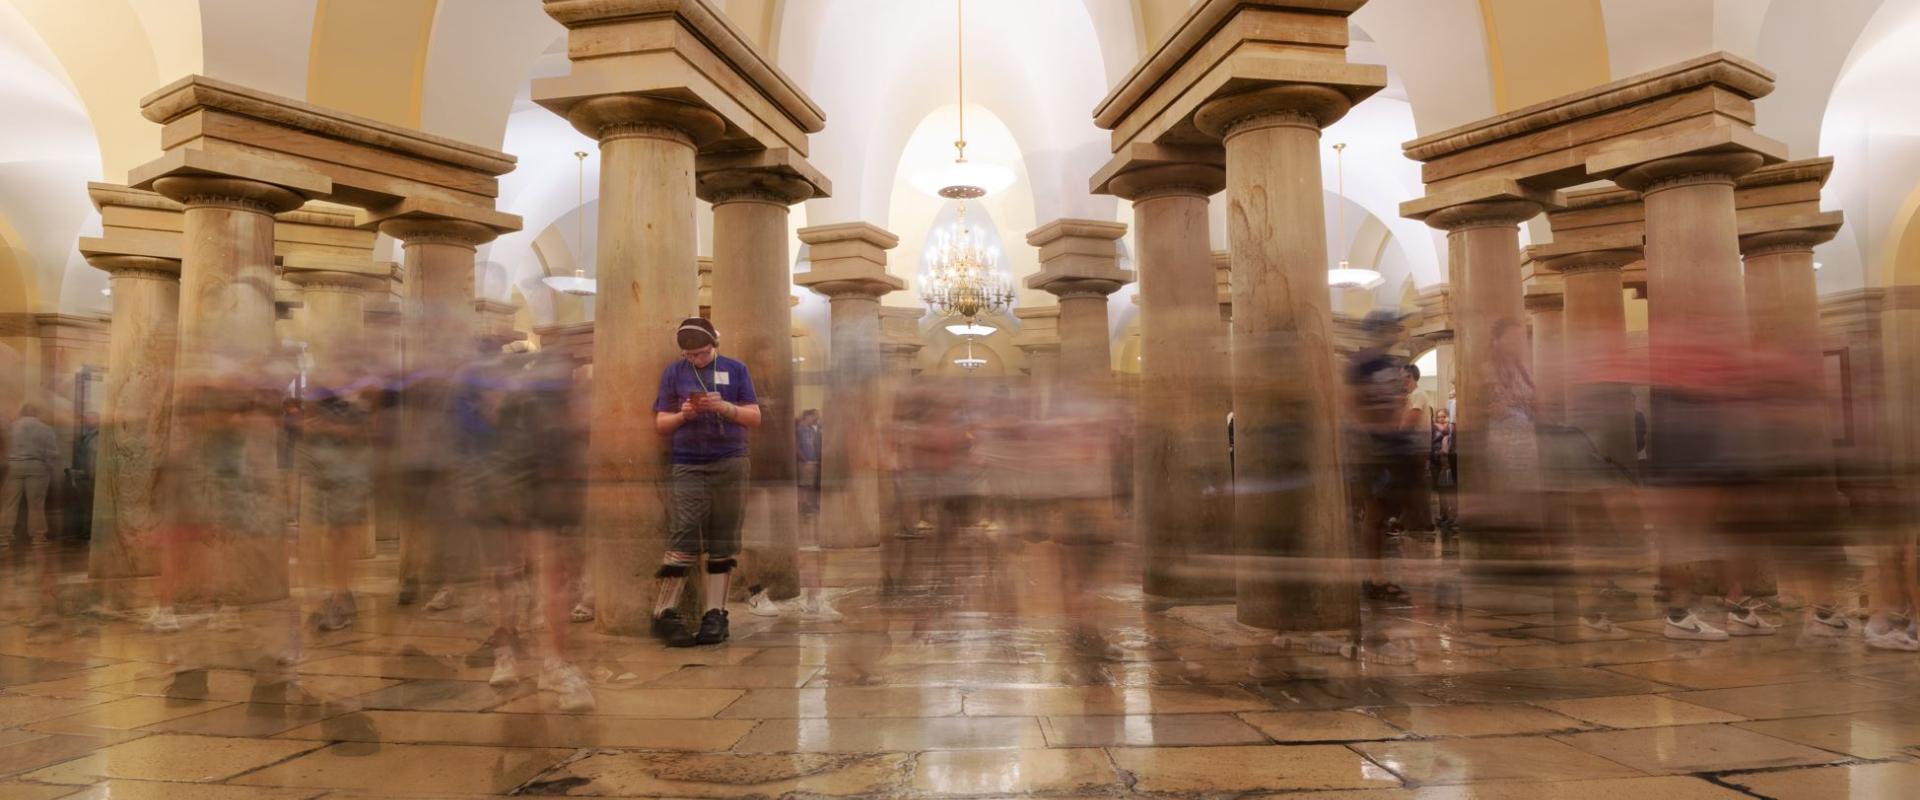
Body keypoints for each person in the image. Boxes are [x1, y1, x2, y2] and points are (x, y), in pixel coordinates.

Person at [651, 317, 762, 647]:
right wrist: (684, 414)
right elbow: (661, 423)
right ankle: (664, 612)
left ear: (715, 344)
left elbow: (754, 417)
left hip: (730, 459)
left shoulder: (736, 369)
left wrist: (725, 407)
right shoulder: (674, 372)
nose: (695, 359)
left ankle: (716, 614)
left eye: (700, 353)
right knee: (684, 532)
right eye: (689, 355)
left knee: (723, 536)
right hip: (688, 461)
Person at [2, 404, 58, 541]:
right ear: (37, 413)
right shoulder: (46, 429)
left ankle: (3, 535)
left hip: (13, 465)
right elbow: (52, 452)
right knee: (36, 504)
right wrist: (49, 466)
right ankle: (38, 536)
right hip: (37, 465)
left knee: (9, 503)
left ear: (21, 412)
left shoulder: (11, 427)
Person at [796, 409, 821, 514]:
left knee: (810, 484)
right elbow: (796, 445)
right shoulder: (800, 430)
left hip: (813, 460)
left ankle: (809, 504)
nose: (814, 419)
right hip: (804, 461)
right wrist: (803, 458)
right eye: (812, 417)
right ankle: (802, 504)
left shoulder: (811, 430)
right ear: (806, 416)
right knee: (803, 484)